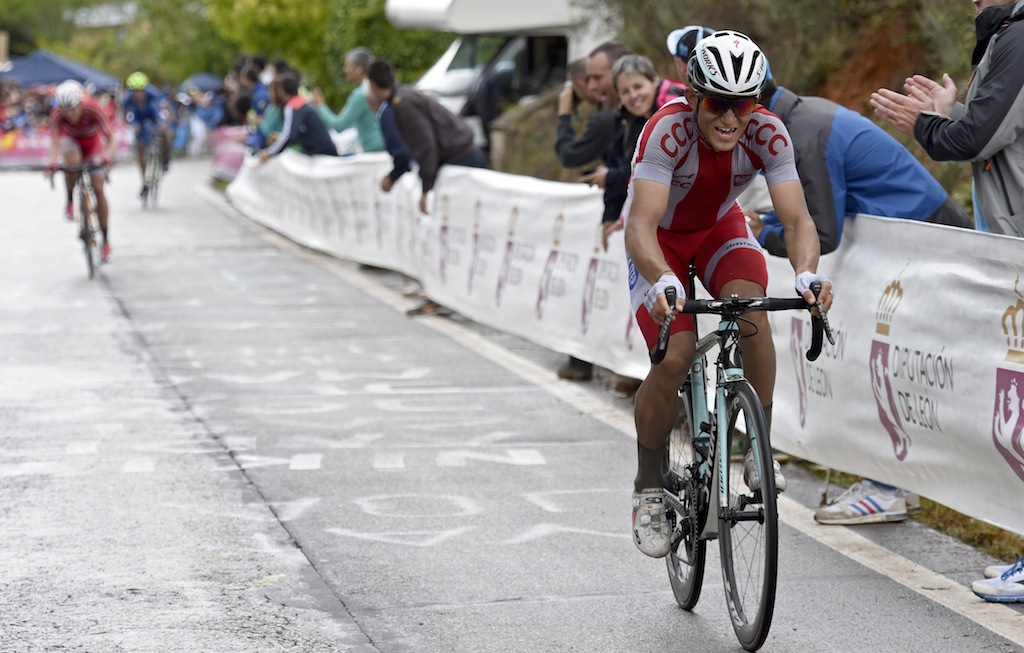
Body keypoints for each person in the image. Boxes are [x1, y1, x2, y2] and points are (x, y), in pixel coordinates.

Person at [623, 31, 832, 558]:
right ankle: (649, 483)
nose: (731, 118)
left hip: (718, 231)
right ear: (694, 97)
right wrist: (662, 279)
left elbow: (798, 219)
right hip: (660, 243)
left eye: (744, 104)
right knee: (676, 356)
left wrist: (806, 274)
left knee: (753, 311)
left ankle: (757, 450)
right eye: (718, 103)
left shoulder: (768, 132)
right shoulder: (665, 131)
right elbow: (641, 226)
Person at [869, 0, 1024, 237]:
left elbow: (976, 140)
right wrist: (950, 112)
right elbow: (1003, 128)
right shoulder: (1008, 34)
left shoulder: (1019, 38)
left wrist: (925, 125)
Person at [366, 59, 486, 215]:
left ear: (373, 84)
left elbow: (426, 145)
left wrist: (426, 190)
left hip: (461, 159)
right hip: (463, 155)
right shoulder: (405, 95)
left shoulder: (403, 104)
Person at [45, 80, 118, 263]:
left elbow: (111, 139)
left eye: (73, 108)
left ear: (80, 102)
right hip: (72, 143)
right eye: (65, 109)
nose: (70, 114)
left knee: (99, 188)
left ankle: (106, 239)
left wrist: (107, 157)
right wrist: (52, 162)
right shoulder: (57, 114)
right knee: (71, 161)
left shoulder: (93, 108)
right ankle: (70, 199)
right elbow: (54, 142)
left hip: (92, 145)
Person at [311, 47, 385, 153]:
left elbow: (339, 125)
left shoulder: (361, 94)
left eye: (348, 66)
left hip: (374, 152)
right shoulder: (376, 87)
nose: (344, 70)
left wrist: (320, 105)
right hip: (384, 147)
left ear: (359, 69)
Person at [258, 72, 338, 160]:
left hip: (318, 153)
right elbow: (299, 133)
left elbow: (290, 136)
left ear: (282, 91)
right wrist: (280, 137)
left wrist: (270, 152)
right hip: (326, 149)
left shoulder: (292, 106)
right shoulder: (303, 102)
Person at [122, 71, 170, 200]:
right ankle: (144, 181)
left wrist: (162, 123)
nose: (138, 94)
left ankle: (166, 156)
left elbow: (162, 108)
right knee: (140, 148)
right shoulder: (127, 99)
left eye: (141, 90)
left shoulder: (153, 93)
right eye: (135, 91)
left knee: (165, 131)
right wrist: (131, 124)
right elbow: (125, 115)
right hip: (138, 117)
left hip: (152, 112)